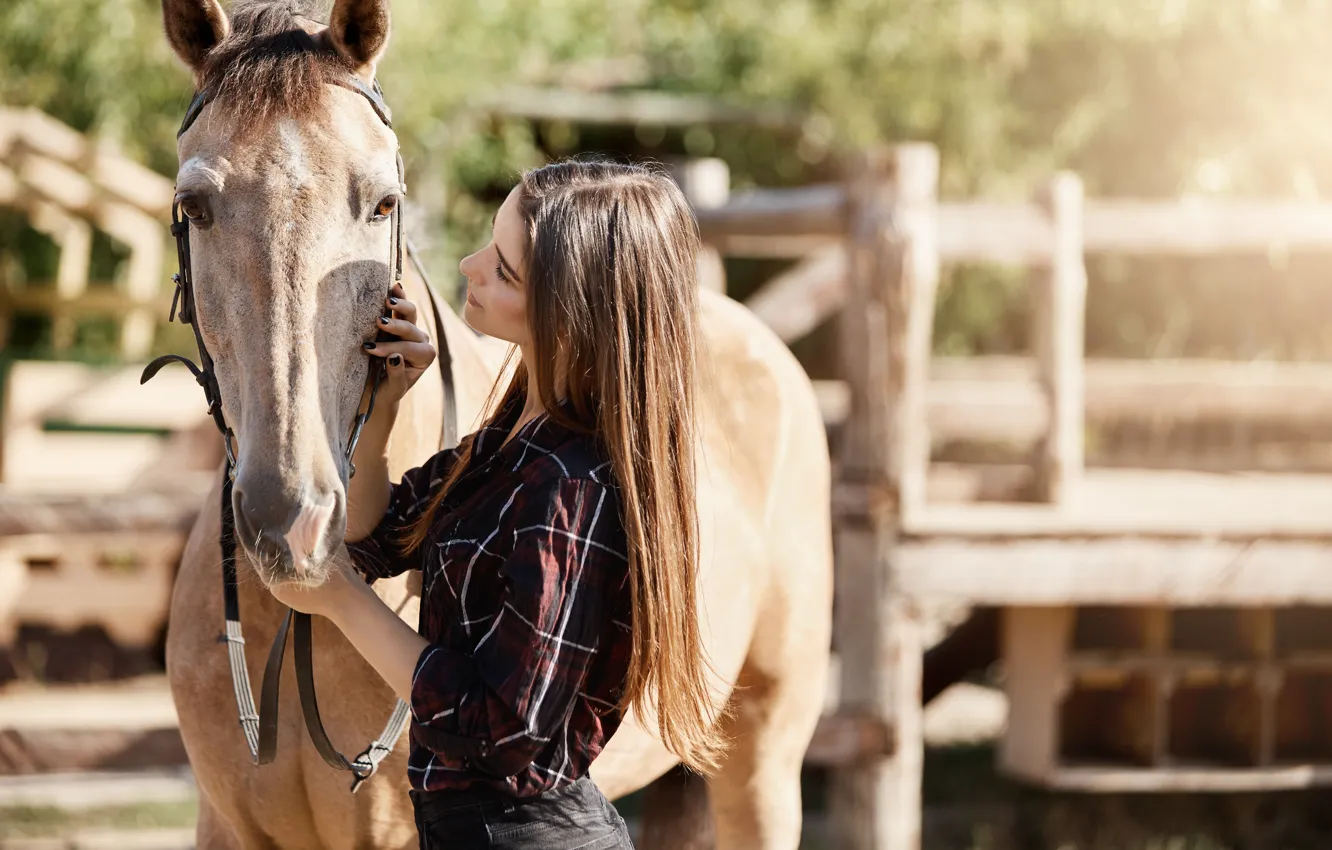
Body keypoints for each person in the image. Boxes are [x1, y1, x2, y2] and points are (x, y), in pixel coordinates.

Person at [271, 160, 726, 849]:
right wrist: (386, 405)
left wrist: (338, 600)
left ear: (571, 309)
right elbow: (380, 534)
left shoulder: (569, 490)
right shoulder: (515, 442)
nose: (468, 265)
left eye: (504, 270)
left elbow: (502, 726)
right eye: (490, 241)